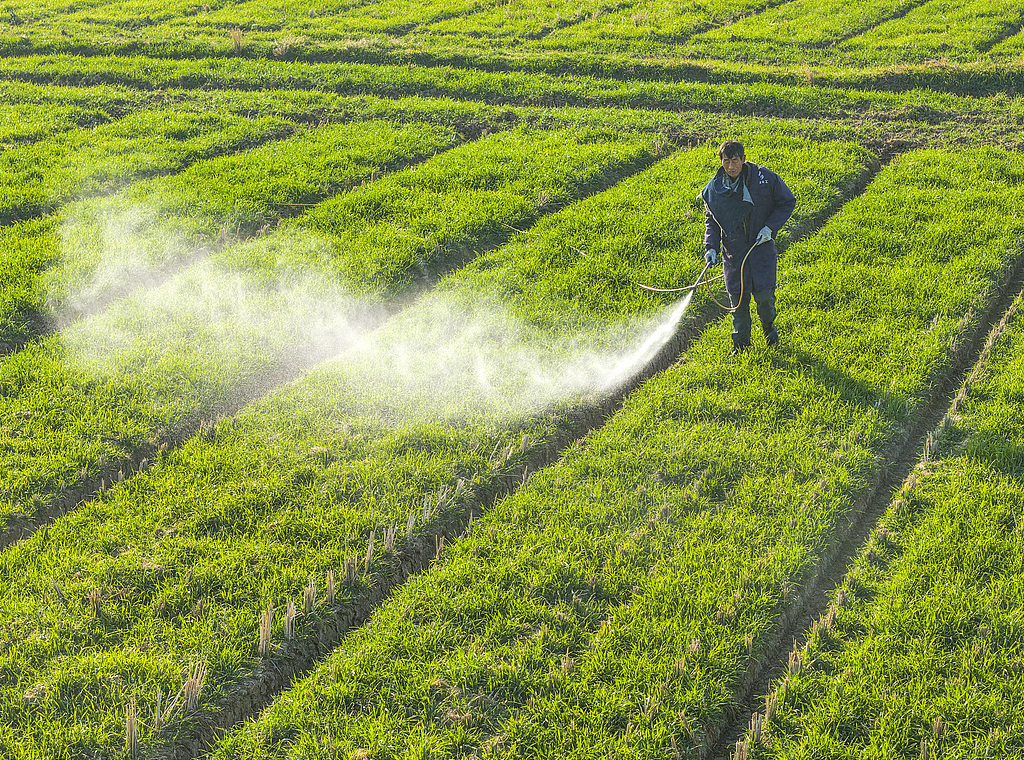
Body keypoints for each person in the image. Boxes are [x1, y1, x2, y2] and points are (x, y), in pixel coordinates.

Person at [700, 140, 796, 354]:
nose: (731, 166)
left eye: (735, 161)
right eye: (726, 161)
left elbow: (787, 202)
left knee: (765, 300)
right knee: (738, 304)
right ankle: (741, 347)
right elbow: (712, 221)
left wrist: (770, 228)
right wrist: (711, 247)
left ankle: (771, 334)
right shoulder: (714, 190)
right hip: (734, 255)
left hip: (761, 251)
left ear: (743, 159)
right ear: (721, 162)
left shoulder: (765, 179)